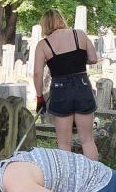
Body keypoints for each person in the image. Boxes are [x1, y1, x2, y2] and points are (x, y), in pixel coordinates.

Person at [33, 9, 99, 158]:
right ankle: (95, 178)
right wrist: (77, 61)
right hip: (82, 85)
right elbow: (93, 58)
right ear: (61, 20)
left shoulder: (43, 45)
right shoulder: (79, 34)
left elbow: (37, 73)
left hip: (60, 89)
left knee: (64, 143)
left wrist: (39, 97)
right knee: (87, 139)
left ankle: (68, 179)